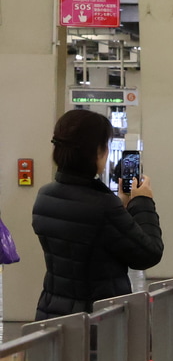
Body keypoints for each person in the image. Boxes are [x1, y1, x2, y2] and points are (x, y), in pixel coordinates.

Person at [31, 110, 163, 320]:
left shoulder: (45, 195)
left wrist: (121, 206)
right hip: (97, 319)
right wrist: (143, 201)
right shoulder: (102, 206)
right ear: (95, 152)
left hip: (52, 312)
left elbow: (86, 240)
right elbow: (149, 254)